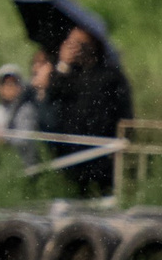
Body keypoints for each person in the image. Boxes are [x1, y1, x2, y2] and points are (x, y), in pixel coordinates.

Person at [32, 25, 132, 197]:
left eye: (79, 44)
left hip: (102, 154)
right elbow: (53, 94)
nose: (74, 48)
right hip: (73, 155)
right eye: (70, 43)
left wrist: (125, 139)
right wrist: (63, 64)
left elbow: (125, 111)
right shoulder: (70, 74)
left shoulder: (110, 75)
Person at [0, 63, 43, 174]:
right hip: (4, 168)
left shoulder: (26, 109)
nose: (9, 87)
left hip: (26, 168)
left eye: (13, 83)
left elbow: (24, 139)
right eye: (5, 84)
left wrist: (3, 139)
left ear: (20, 87)